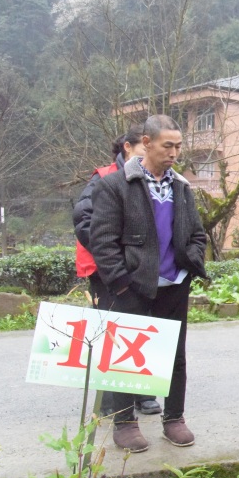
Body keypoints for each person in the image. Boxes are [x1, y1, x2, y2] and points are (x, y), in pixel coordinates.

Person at [90, 115, 207, 453]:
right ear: (147, 142)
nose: (174, 152)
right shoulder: (115, 185)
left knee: (175, 355)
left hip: (175, 283)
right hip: (133, 286)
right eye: (167, 145)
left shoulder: (181, 186)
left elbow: (197, 233)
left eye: (178, 146)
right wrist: (121, 282)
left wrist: (192, 258)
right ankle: (125, 423)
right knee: (127, 355)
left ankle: (174, 419)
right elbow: (103, 241)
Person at [73, 125, 161, 417]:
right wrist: (111, 254)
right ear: (128, 147)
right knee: (112, 331)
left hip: (143, 268)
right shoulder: (104, 177)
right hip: (107, 269)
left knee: (143, 328)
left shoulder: (152, 178)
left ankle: (143, 393)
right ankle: (111, 399)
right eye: (142, 150)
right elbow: (84, 220)